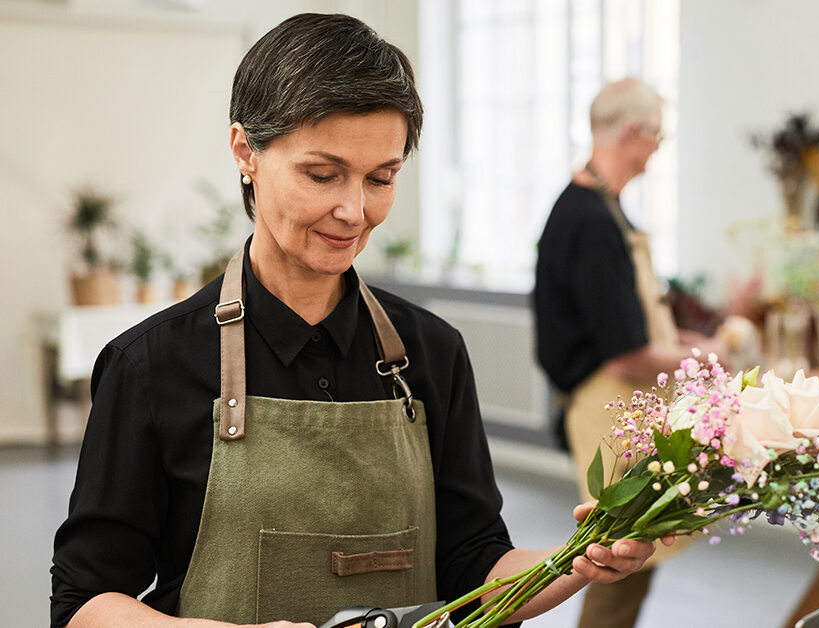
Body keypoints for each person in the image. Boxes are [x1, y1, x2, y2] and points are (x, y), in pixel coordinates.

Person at [50, 14, 659, 628]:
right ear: (245, 152)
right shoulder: (151, 366)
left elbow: (475, 563)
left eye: (381, 178)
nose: (353, 210)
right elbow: (85, 603)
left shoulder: (433, 353)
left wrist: (573, 563)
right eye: (322, 174)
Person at [533, 78, 727, 628]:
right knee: (616, 556)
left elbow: (629, 324)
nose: (659, 150)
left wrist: (687, 345)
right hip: (606, 401)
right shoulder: (589, 220)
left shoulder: (604, 208)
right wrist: (705, 361)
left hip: (621, 398)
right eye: (658, 137)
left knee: (636, 557)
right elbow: (623, 354)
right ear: (634, 133)